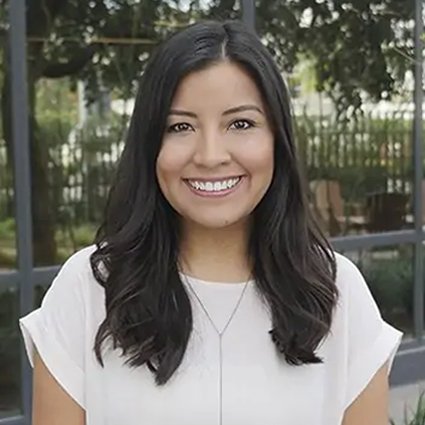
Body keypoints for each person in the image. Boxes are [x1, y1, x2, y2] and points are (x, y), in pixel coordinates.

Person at [20, 19, 402, 425]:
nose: (210, 155)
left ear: (277, 138)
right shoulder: (87, 290)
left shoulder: (337, 293)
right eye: (180, 126)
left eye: (240, 123)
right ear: (151, 143)